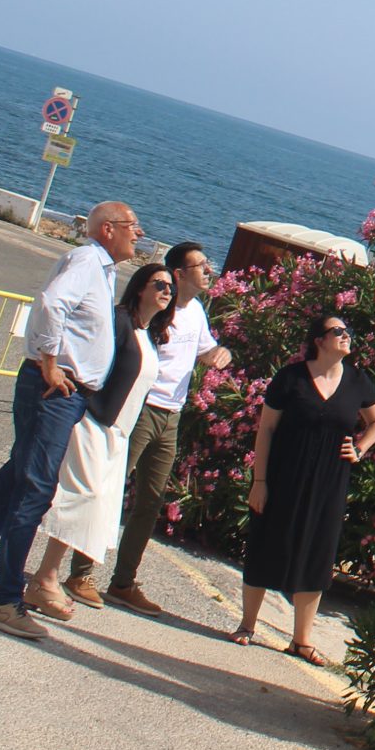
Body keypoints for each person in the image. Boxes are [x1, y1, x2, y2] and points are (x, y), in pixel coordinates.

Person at [0, 201, 139, 640]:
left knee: (15, 479)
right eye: (131, 226)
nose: (137, 234)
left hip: (67, 391)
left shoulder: (102, 268)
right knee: (35, 488)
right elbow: (51, 304)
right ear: (108, 229)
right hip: (53, 389)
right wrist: (50, 363)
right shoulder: (89, 260)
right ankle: (7, 601)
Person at [68, 240, 232, 614]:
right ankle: (80, 573)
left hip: (171, 416)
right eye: (201, 266)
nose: (209, 271)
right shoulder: (161, 309)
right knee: (107, 489)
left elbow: (204, 350)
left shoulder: (197, 312)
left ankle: (123, 582)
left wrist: (219, 353)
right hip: (141, 409)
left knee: (150, 502)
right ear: (178, 274)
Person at [232, 312, 375, 665]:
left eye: (348, 331)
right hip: (284, 475)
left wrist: (360, 449)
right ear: (319, 340)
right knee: (265, 543)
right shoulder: (291, 378)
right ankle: (247, 625)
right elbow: (266, 429)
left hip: (330, 483)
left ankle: (301, 641)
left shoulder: (358, 380)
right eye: (338, 331)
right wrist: (259, 482)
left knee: (317, 555)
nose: (347, 336)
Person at [25, 263, 168, 620]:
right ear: (139, 288)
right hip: (95, 423)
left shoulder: (149, 334)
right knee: (76, 499)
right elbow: (93, 364)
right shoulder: (119, 322)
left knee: (91, 507)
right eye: (159, 284)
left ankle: (47, 576)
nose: (167, 290)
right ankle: (44, 577)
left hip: (118, 432)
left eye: (170, 287)